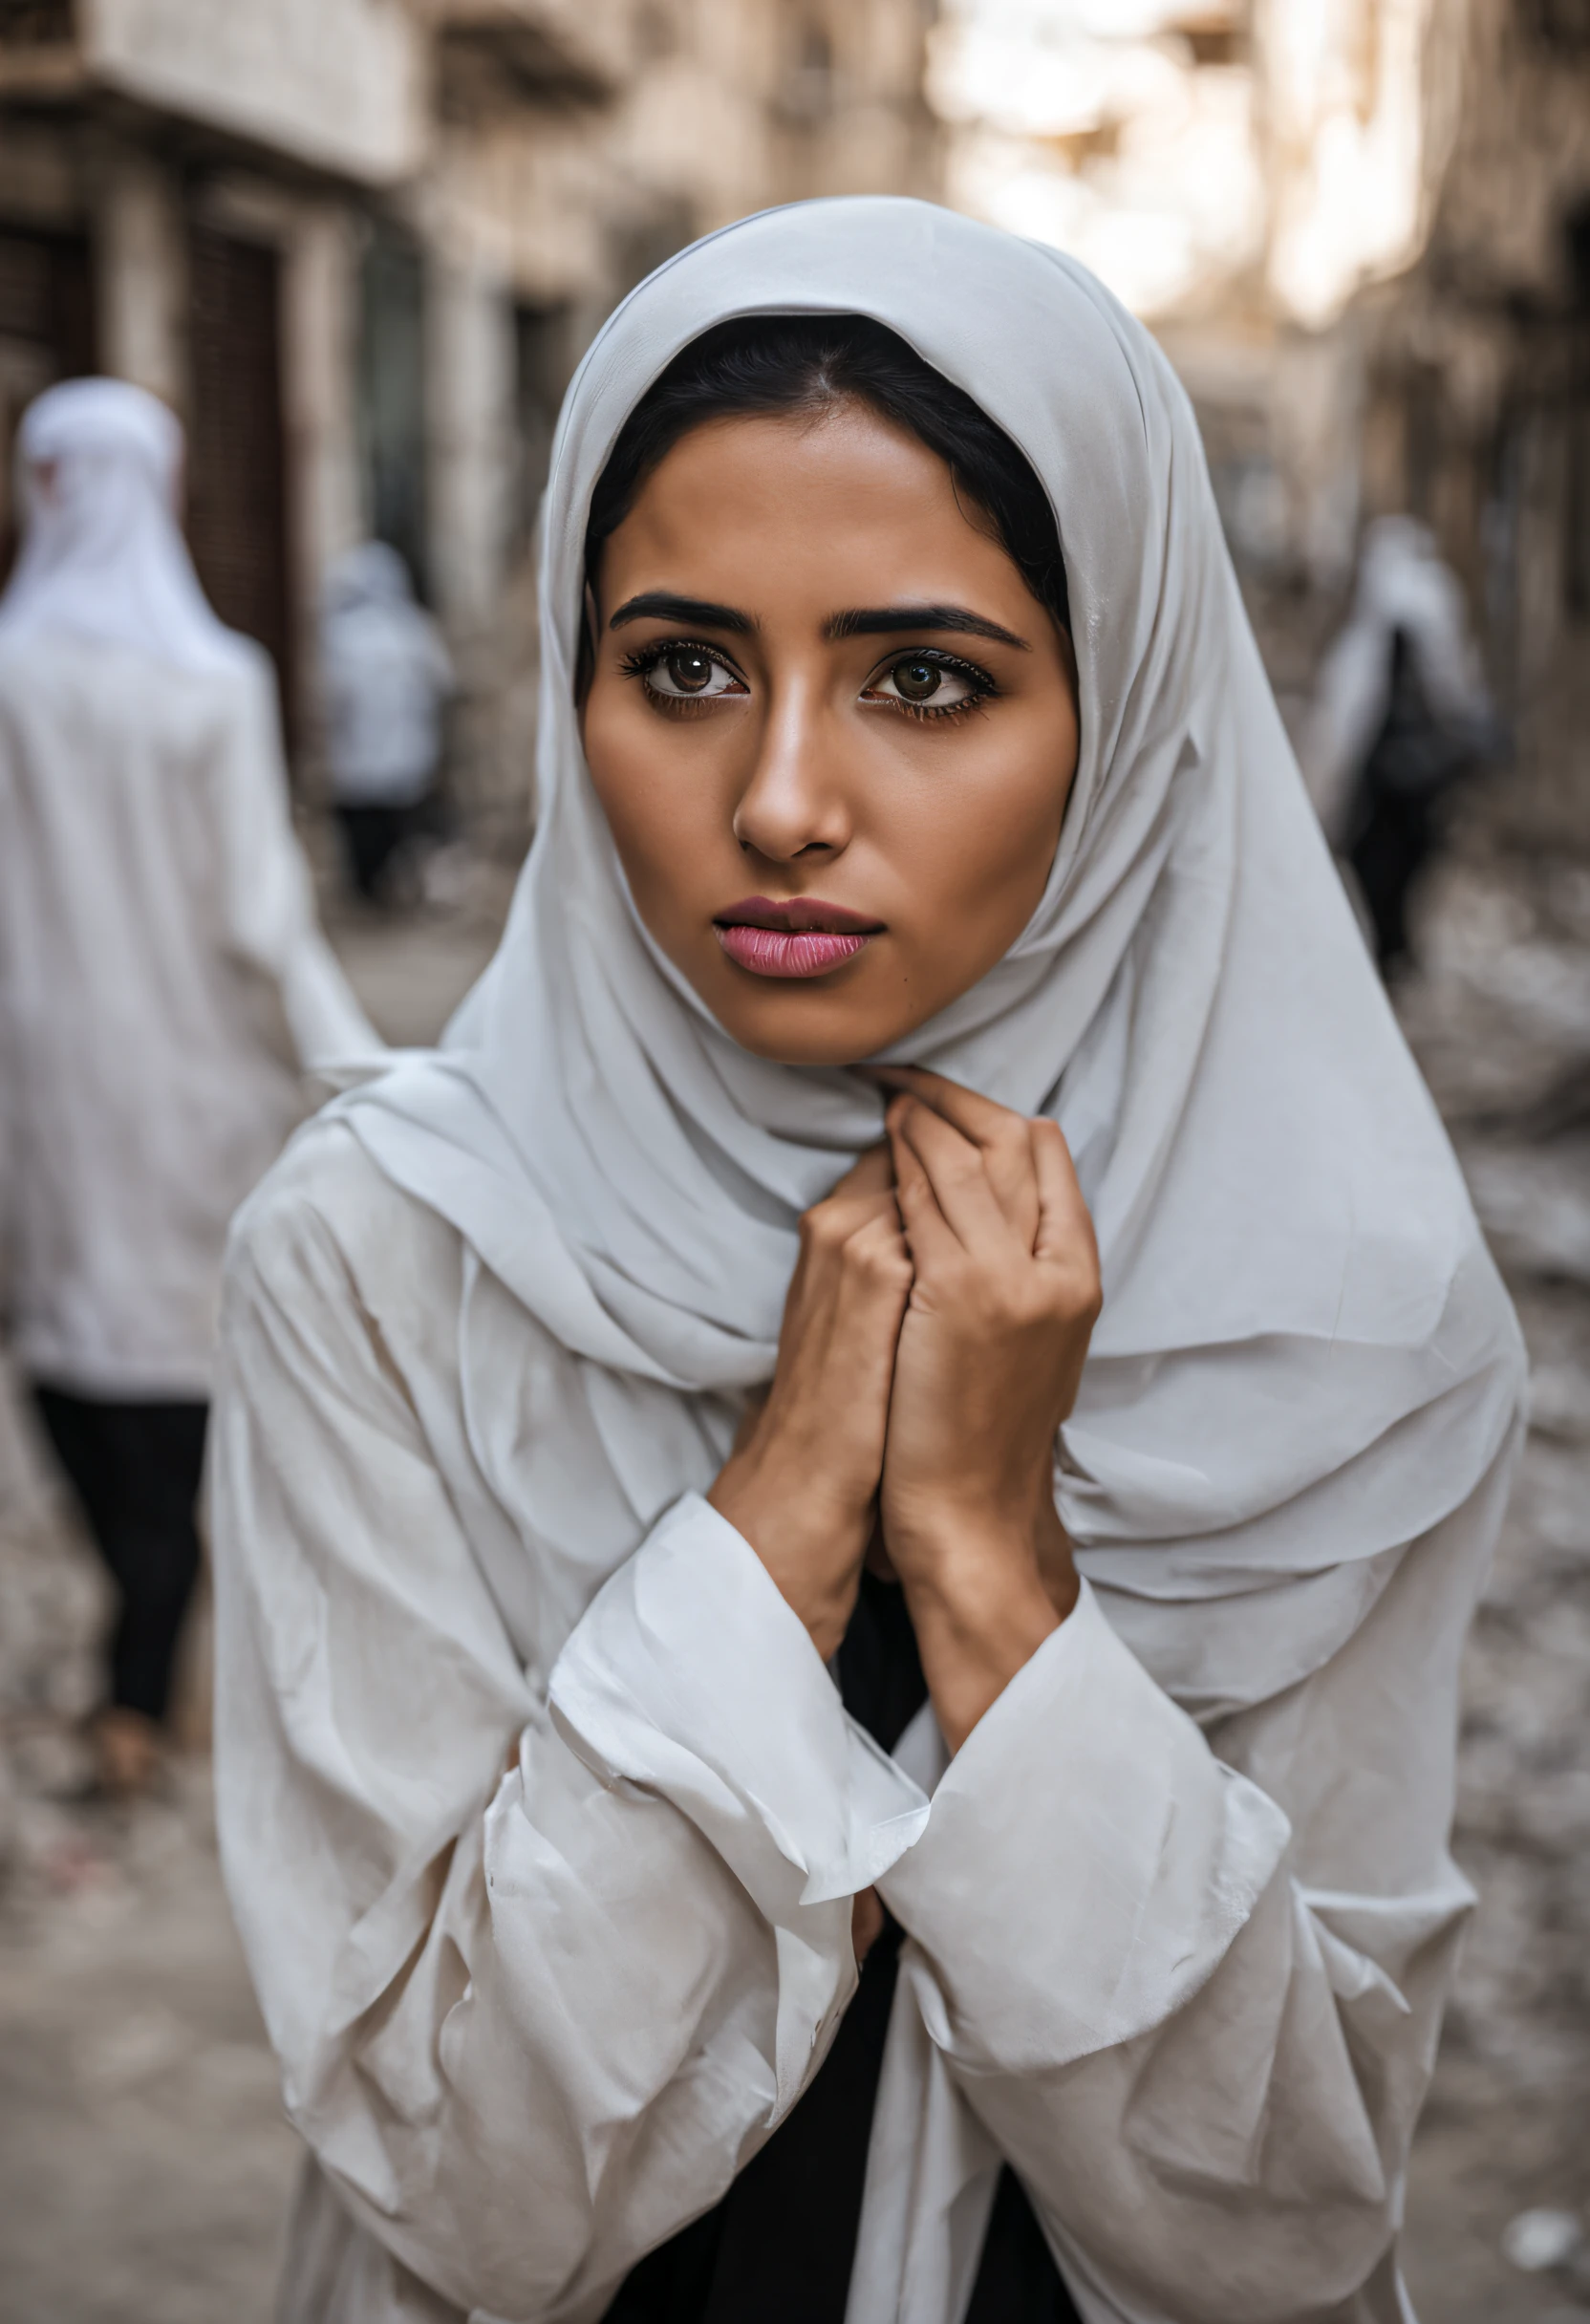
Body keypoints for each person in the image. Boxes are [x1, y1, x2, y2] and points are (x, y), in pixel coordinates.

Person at [210, 203, 1524, 2324]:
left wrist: (993, 1575)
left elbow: (1284, 2221)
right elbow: (460, 2186)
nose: (783, 800)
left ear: (1129, 709)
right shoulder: (384, 1258)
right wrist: (777, 1517)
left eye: (924, 677)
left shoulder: (1344, 1315)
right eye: (683, 668)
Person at [0, 377, 378, 1797]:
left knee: (72, 1337)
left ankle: (137, 1665)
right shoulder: (216, 681)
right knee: (178, 1350)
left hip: (38, 1079)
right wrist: (349, 1063)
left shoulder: (10, 675)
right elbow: (256, 916)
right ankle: (150, 1667)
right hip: (188, 1075)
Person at [1303, 515, 1496, 975]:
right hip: (1404, 794)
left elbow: (1340, 729)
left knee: (1386, 883)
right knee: (1390, 885)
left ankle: (1389, 961)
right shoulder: (1423, 612)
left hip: (1393, 794)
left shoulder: (1378, 636)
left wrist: (1322, 805)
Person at [319, 540, 455, 903]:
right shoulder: (413, 630)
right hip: (407, 757)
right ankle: (391, 890)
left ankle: (368, 892)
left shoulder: (339, 636)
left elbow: (329, 698)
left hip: (355, 759)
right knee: (398, 827)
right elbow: (444, 681)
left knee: (364, 832)